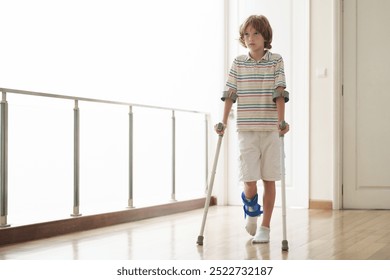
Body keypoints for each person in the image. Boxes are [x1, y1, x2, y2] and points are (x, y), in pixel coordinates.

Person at [216, 15, 290, 243]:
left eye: (256, 33)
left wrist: (281, 122)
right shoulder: (238, 63)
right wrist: (224, 122)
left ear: (265, 36)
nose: (250, 38)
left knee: (269, 179)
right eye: (246, 34)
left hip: (270, 130)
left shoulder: (276, 60)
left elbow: (280, 92)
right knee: (249, 180)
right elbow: (230, 94)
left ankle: (265, 228)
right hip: (246, 130)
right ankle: (252, 210)